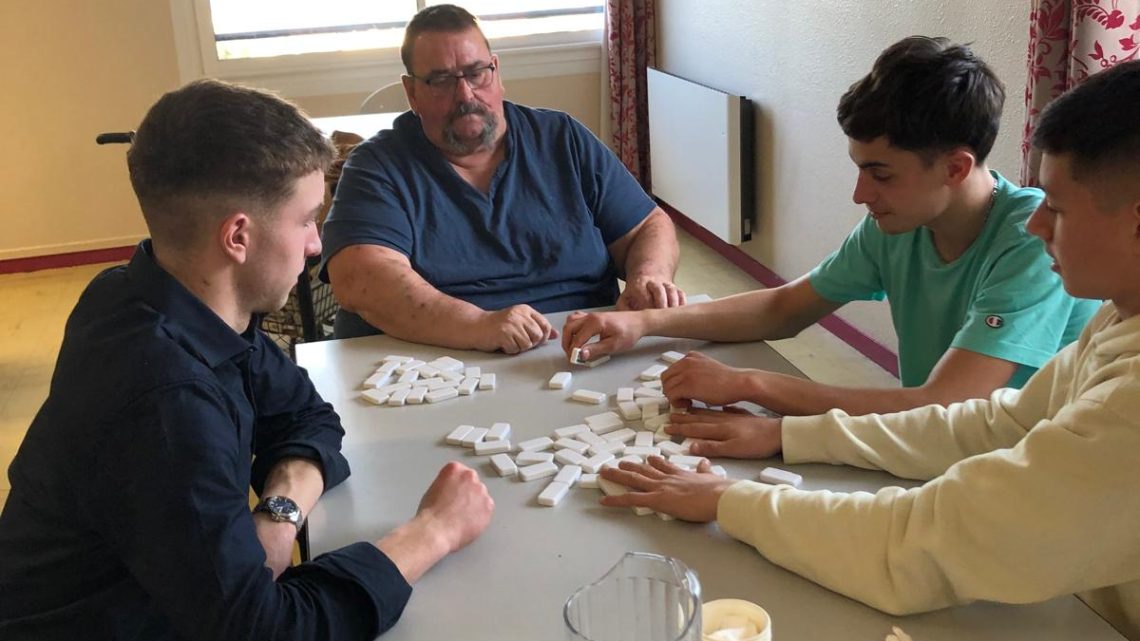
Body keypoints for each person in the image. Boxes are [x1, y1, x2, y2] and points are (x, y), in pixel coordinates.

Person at [597, 60, 1140, 640]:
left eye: (1056, 208)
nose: (1038, 225)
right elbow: (996, 423)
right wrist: (787, 434)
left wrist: (730, 499)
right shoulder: (1119, 313)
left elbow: (923, 543)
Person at [0, 79, 493, 640]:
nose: (316, 245)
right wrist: (430, 533)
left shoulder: (166, 298)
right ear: (238, 235)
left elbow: (308, 416)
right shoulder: (165, 400)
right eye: (307, 219)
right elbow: (266, 630)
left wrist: (279, 516)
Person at [562, 36, 1099, 416]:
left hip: (1011, 471)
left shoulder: (1035, 242)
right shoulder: (902, 222)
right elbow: (785, 307)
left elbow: (942, 406)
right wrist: (643, 324)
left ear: (956, 168)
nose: (861, 195)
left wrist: (754, 385)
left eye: (880, 174)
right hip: (934, 445)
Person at [321, 4, 684, 354]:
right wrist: (478, 325)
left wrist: (648, 276)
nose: (464, 95)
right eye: (441, 80)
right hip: (438, 360)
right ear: (412, 92)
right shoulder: (378, 166)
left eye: (476, 72)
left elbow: (647, 227)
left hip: (579, 345)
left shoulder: (562, 138)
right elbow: (361, 278)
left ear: (496, 71)